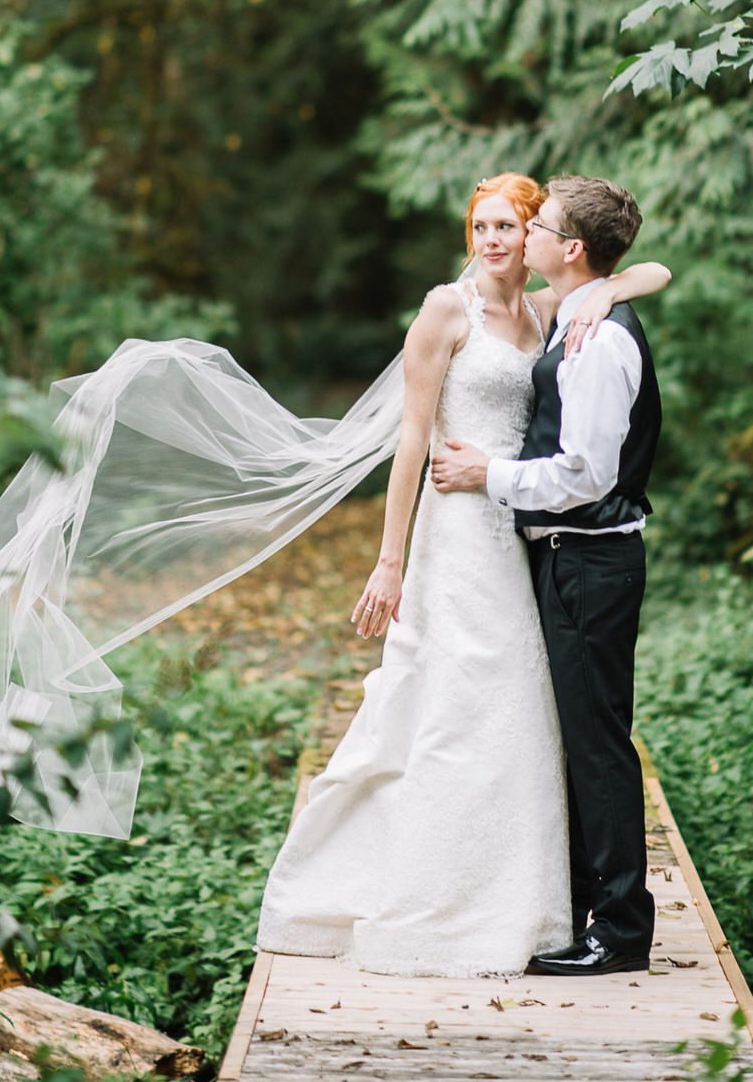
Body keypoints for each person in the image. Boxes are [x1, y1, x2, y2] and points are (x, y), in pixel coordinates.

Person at [254, 173, 668, 977]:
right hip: (460, 528)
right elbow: (412, 442)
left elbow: (649, 273)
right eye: (479, 226)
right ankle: (435, 895)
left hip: (524, 536)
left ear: (545, 241)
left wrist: (610, 287)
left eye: (511, 225)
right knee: (445, 705)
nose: (492, 239)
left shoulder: (553, 310)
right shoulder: (448, 309)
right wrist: (389, 559)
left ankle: (530, 899)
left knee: (522, 708)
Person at [429, 174, 662, 976]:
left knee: (597, 745)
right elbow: (645, 270)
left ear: (568, 249)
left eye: (538, 226)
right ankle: (588, 903)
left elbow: (585, 474)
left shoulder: (598, 338)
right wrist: (613, 283)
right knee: (581, 737)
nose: (520, 235)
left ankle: (621, 931)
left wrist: (488, 474)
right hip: (564, 557)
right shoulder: (572, 311)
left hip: (590, 559)